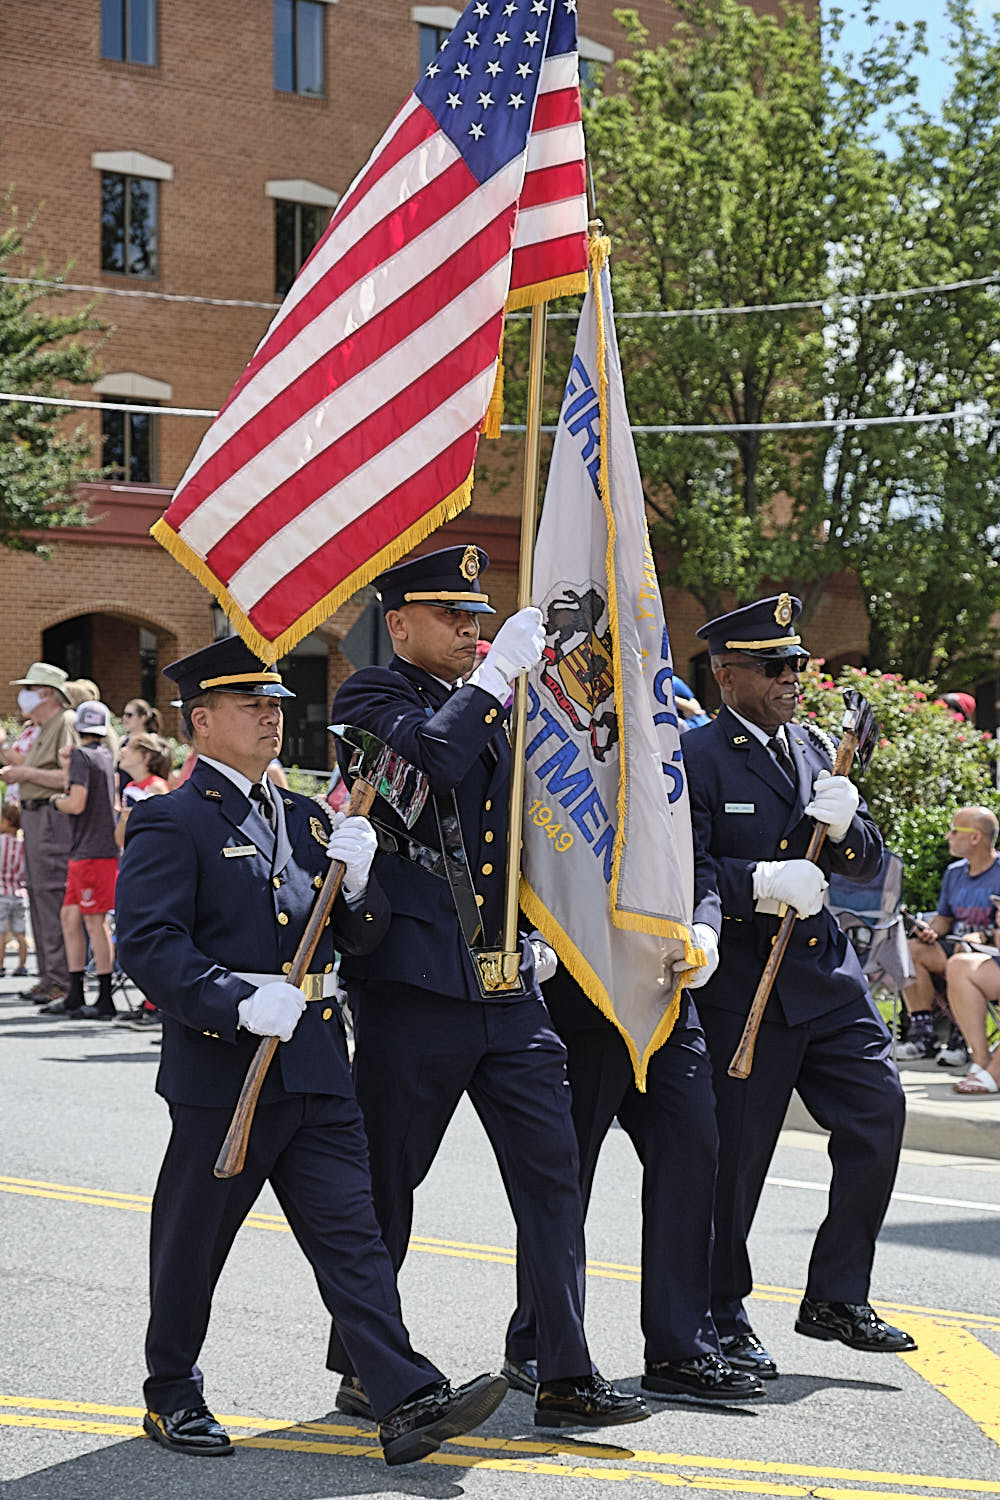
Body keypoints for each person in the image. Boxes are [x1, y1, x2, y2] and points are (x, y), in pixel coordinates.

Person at [114, 635, 506, 1465]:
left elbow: (354, 939)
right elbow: (149, 945)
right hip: (231, 1061)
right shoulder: (170, 820)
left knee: (352, 1237)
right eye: (252, 705)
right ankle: (172, 1390)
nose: (271, 717)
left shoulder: (305, 815)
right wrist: (237, 999)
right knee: (196, 1236)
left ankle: (404, 1396)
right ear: (203, 720)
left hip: (318, 1057)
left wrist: (361, 887)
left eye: (277, 705)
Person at [327, 544, 649, 1431]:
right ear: (399, 625)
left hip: (508, 990)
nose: (472, 630)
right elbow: (433, 766)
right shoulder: (371, 698)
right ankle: (365, 1367)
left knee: (555, 1178)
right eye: (452, 617)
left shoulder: (497, 706)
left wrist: (542, 937)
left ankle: (563, 1368)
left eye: (478, 618)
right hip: (413, 984)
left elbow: (522, 841)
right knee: (390, 1183)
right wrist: (501, 670)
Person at [681, 594, 915, 1378]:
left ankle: (836, 1295)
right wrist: (759, 882)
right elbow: (686, 868)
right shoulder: (695, 757)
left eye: (799, 665)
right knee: (737, 1160)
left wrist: (853, 829)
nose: (793, 678)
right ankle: (720, 1314)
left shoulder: (816, 747)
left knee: (880, 1112)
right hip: (747, 988)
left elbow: (864, 862)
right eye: (775, 666)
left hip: (824, 979)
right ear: (726, 675)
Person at [504, 962, 766, 1405]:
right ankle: (538, 1343)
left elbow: (700, 888)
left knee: (692, 1149)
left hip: (665, 993)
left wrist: (706, 922)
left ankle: (680, 1349)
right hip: (586, 982)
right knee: (565, 1175)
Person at [0, 663, 78, 1002]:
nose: (24, 694)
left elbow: (72, 778)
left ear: (46, 693)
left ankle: (60, 978)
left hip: (51, 816)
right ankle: (51, 977)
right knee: (40, 896)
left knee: (51, 895)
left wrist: (24, 773)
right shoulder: (47, 725)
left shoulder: (66, 723)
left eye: (30, 688)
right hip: (37, 817)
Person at [897, 808, 1000, 1065]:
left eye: (954, 830)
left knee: (963, 953)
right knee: (912, 949)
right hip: (956, 949)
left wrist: (984, 936)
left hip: (988, 958)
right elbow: (945, 918)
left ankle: (960, 1038)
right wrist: (930, 929)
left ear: (975, 837)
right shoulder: (954, 872)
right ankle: (923, 1035)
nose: (947, 836)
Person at [46, 699, 120, 1018]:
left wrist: (54, 802)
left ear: (77, 727)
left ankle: (104, 998)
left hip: (91, 851)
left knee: (93, 920)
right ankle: (77, 992)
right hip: (94, 849)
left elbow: (75, 803)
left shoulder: (81, 755)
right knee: (71, 916)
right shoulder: (104, 755)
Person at [0, 801, 30, 976]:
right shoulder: (23, 844)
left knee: (1, 933)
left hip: (2, 892)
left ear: (6, 821)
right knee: (21, 933)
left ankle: (1, 965)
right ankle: (22, 965)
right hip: (19, 893)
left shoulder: (1, 841)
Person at [118, 698, 163, 797]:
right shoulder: (122, 741)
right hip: (125, 793)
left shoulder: (153, 743)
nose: (124, 718)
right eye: (124, 714)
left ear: (143, 717)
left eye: (129, 715)